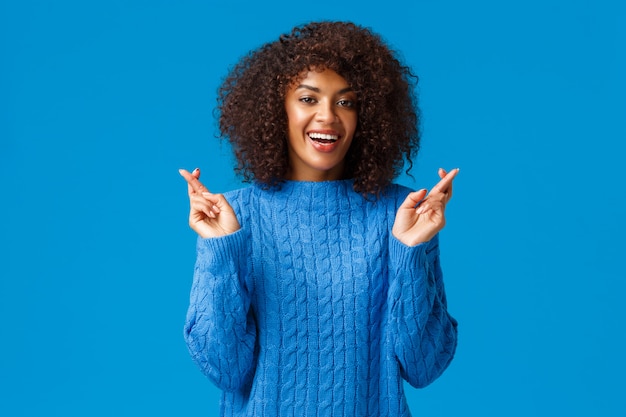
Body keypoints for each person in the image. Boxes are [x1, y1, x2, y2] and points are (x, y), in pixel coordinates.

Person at [179, 21, 458, 417]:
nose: (328, 116)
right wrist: (223, 250)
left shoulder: (403, 215)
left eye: (346, 102)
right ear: (278, 109)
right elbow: (224, 368)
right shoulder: (234, 217)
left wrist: (411, 252)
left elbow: (424, 366)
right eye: (308, 99)